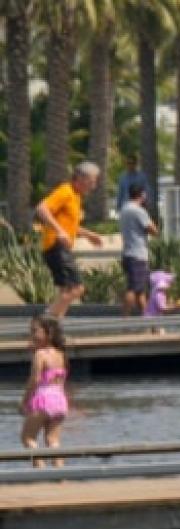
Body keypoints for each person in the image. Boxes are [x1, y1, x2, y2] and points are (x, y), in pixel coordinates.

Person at [34, 161, 106, 319]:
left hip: (60, 247)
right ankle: (44, 322)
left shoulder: (76, 196)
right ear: (81, 178)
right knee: (76, 289)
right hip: (56, 246)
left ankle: (55, 329)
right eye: (92, 181)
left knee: (66, 292)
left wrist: (89, 235)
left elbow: (69, 227)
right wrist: (59, 231)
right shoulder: (65, 191)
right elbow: (41, 208)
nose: (93, 186)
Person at [19, 316, 70, 460]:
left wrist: (24, 401)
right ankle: (60, 476)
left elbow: (34, 380)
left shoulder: (40, 355)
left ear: (49, 333)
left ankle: (40, 470)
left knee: (28, 438)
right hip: (60, 401)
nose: (32, 335)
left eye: (35, 331)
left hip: (43, 400)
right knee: (52, 440)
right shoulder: (61, 354)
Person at [117, 182, 159, 318]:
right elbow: (153, 231)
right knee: (133, 289)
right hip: (138, 255)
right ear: (142, 194)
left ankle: (149, 321)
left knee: (140, 290)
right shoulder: (139, 211)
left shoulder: (124, 209)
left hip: (127, 253)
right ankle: (124, 320)